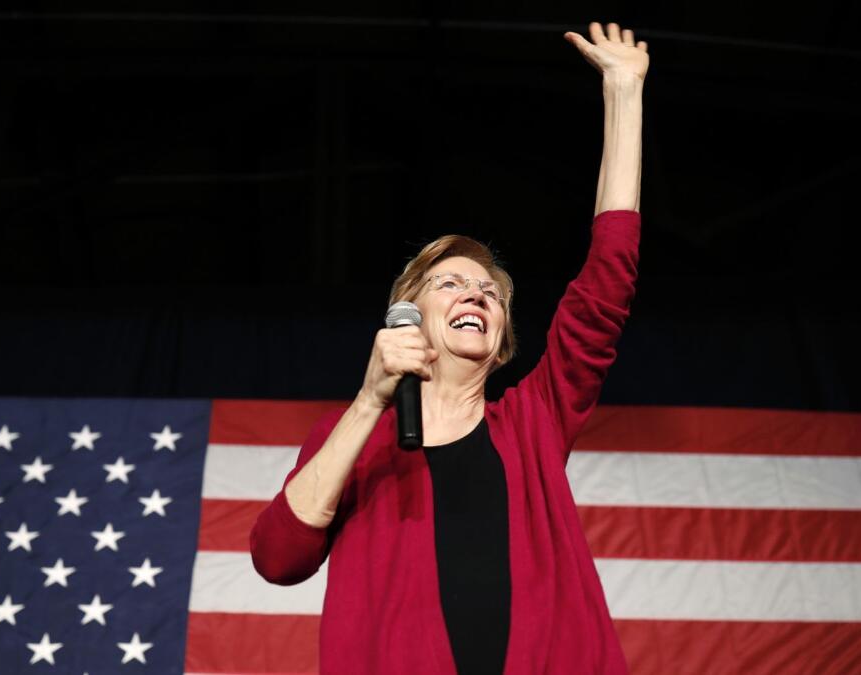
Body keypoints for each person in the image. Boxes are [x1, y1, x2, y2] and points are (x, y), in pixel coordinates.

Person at [250, 20, 647, 675]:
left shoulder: (531, 422)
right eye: (451, 283)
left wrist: (624, 95)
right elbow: (277, 557)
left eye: (490, 291)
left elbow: (608, 279)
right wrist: (369, 399)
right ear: (408, 318)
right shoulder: (356, 439)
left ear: (499, 343)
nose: (476, 293)